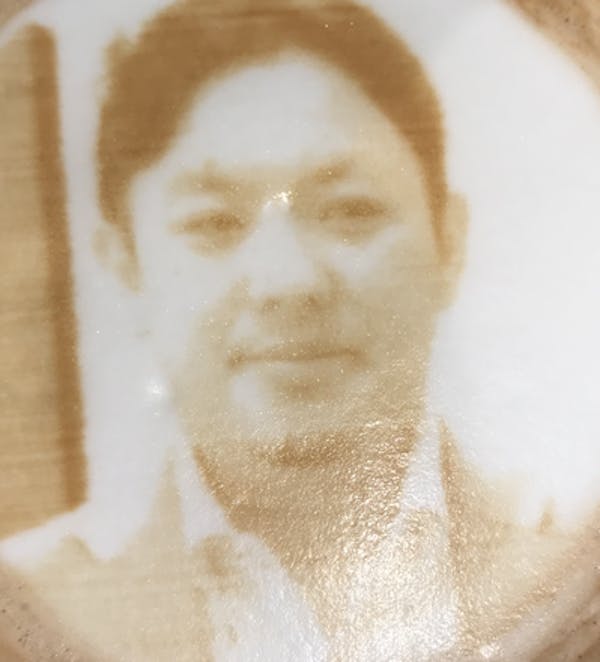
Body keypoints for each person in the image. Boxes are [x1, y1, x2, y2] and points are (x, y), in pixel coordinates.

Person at [2, 1, 595, 660]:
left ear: (448, 245)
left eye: (351, 209)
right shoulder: (38, 603)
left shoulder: (566, 563)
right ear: (126, 269)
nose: (286, 281)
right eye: (213, 222)